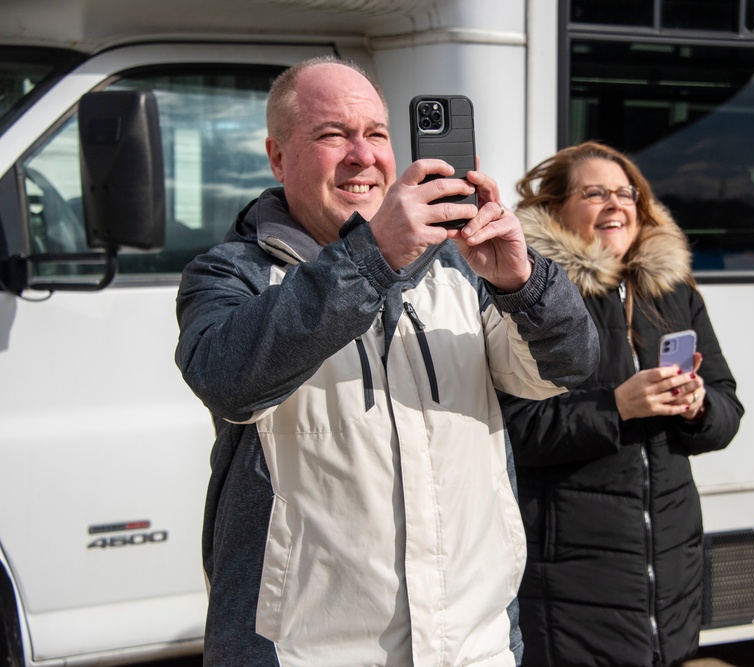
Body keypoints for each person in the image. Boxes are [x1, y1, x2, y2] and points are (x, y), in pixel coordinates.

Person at [174, 56, 599, 667]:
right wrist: (374, 256)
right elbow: (229, 380)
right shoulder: (228, 274)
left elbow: (569, 367)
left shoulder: (459, 266)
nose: (361, 154)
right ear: (277, 157)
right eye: (331, 135)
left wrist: (523, 282)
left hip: (473, 650)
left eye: (375, 134)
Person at [498, 141, 744, 667]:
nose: (616, 204)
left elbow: (728, 411)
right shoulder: (533, 298)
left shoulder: (675, 293)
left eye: (625, 192)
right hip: (571, 569)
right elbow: (512, 431)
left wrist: (699, 404)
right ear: (556, 209)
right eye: (594, 193)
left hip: (671, 563)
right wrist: (617, 408)